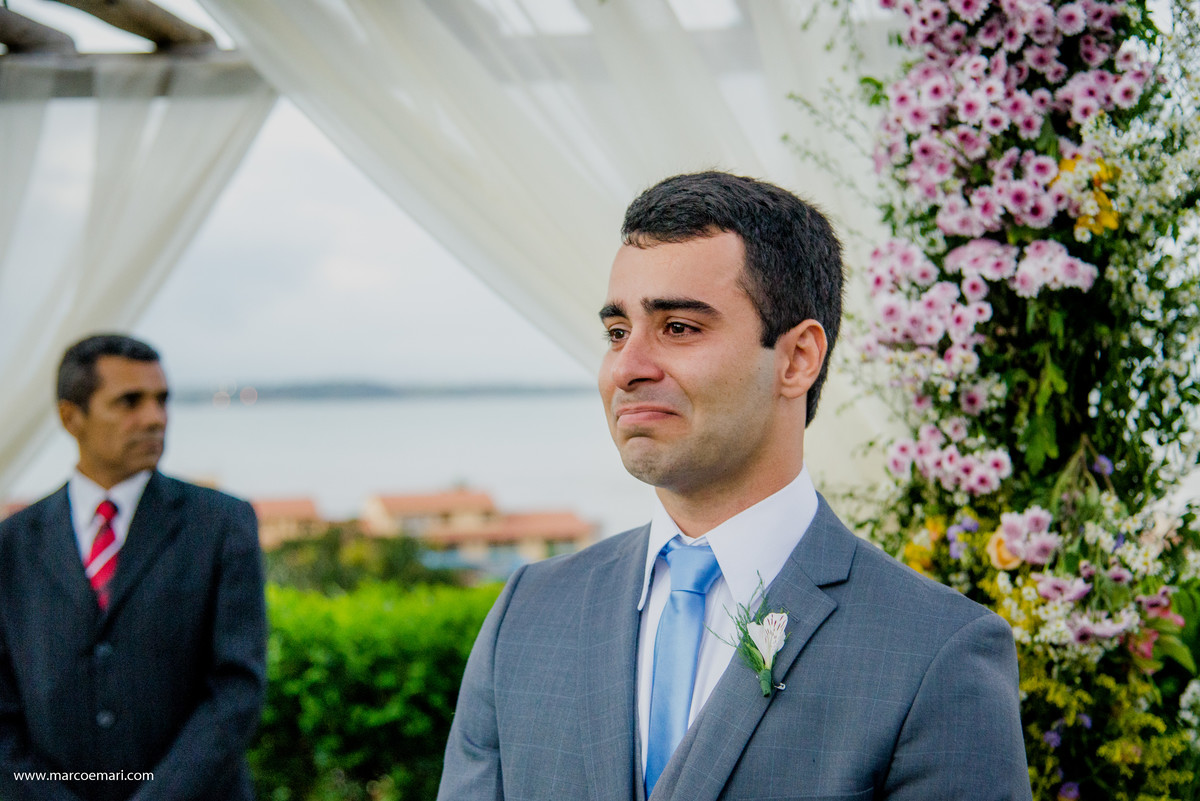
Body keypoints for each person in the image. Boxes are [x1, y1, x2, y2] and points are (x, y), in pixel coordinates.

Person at [437, 171, 1031, 800]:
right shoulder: (528, 614)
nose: (629, 368)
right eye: (617, 333)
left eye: (679, 328)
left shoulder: (937, 653)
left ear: (798, 358)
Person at [0, 334, 267, 801]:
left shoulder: (222, 523)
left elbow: (237, 689)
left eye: (162, 400)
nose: (155, 418)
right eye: (129, 401)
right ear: (70, 416)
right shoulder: (13, 543)